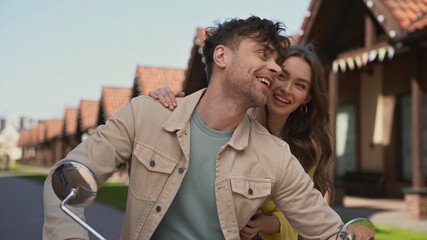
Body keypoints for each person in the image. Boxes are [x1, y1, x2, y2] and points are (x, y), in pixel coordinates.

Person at [43, 16, 343, 240]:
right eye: (264, 54)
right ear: (222, 56)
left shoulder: (275, 155)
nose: (277, 69)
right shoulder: (146, 114)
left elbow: (327, 228)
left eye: (278, 61)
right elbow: (66, 176)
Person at [148, 44, 333, 240]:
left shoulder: (305, 149)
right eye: (282, 76)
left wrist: (264, 223)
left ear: (307, 98)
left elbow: (301, 216)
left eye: (300, 85)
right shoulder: (229, 121)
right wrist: (163, 105)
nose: (286, 89)